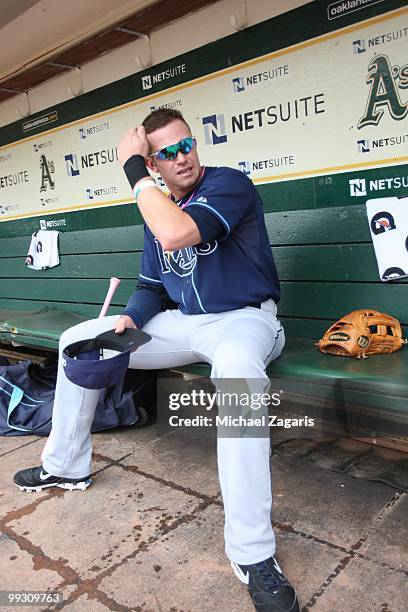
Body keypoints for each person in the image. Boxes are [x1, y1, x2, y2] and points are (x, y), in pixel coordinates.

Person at [14, 109, 299, 612]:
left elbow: (177, 234)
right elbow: (151, 285)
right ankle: (66, 465)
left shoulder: (228, 184)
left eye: (185, 144)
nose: (181, 157)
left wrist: (133, 171)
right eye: (165, 153)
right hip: (187, 324)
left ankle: (253, 554)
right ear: (155, 162)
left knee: (236, 375)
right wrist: (128, 319)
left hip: (245, 322)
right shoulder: (158, 204)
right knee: (82, 338)